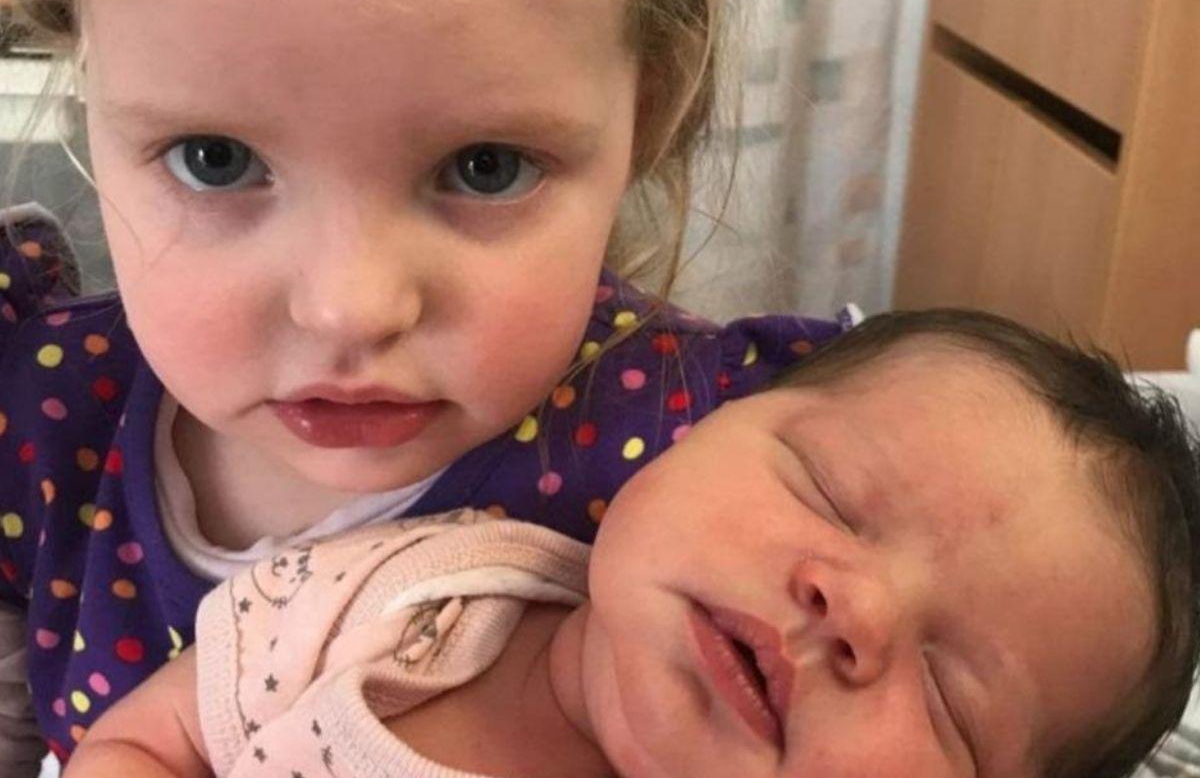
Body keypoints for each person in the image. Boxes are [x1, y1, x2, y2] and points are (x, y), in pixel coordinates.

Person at [0, 0, 851, 770]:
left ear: (648, 115)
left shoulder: (727, 457)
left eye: (488, 166)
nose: (350, 309)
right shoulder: (40, 415)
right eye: (213, 159)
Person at [63, 311, 1200, 778]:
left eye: (952, 697)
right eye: (827, 492)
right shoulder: (423, 589)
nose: (854, 604)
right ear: (697, 430)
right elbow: (154, 740)